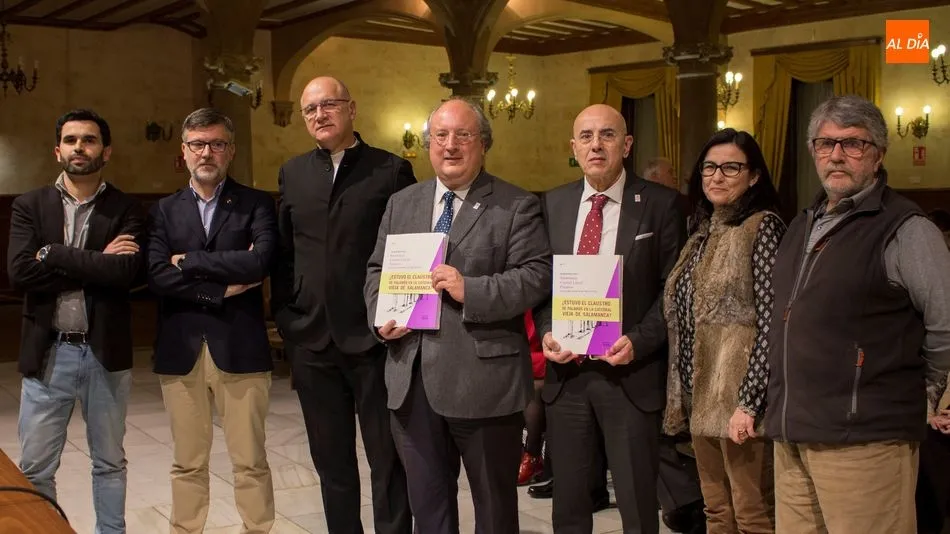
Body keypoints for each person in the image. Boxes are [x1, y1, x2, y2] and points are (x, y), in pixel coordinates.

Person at [764, 94, 950, 534]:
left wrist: (919, 389)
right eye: (825, 144)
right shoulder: (801, 224)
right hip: (793, 434)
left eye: (853, 144)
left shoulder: (906, 228)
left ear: (878, 154)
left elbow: (945, 325)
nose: (836, 155)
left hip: (866, 438)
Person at [364, 97, 551, 534]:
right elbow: (377, 269)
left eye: (463, 135)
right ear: (428, 146)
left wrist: (473, 289)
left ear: (483, 144)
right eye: (441, 136)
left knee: (494, 509)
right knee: (428, 508)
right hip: (410, 381)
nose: (450, 145)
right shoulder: (402, 203)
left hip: (483, 383)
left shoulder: (515, 204)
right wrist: (381, 315)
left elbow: (536, 276)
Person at [270, 76, 414, 534]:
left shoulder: (390, 170)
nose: (319, 115)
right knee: (331, 463)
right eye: (310, 109)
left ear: (352, 108)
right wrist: (286, 315)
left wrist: (400, 315)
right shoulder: (292, 173)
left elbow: (408, 251)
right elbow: (285, 252)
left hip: (374, 338)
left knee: (387, 460)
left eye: (329, 104)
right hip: (312, 340)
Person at [534, 104, 685, 533]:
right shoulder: (554, 203)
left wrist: (640, 340)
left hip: (630, 374)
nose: (596, 145)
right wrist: (547, 331)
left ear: (627, 144)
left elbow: (672, 291)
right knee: (569, 506)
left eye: (607, 135)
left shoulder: (661, 204)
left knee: (637, 506)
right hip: (568, 378)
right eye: (585, 136)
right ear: (573, 147)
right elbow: (545, 286)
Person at [7, 108, 145, 534]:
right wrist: (97, 261)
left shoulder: (127, 208)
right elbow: (19, 274)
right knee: (35, 468)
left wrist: (55, 254)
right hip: (50, 354)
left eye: (88, 140)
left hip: (105, 353)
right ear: (57, 151)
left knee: (109, 463)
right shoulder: (30, 205)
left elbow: (125, 274)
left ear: (106, 151)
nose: (79, 147)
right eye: (71, 140)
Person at [147, 108, 278, 533]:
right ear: (183, 152)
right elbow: (158, 275)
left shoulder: (256, 203)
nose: (207, 152)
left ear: (231, 151)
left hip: (240, 348)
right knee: (187, 463)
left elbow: (260, 261)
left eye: (217, 144)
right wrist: (218, 289)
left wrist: (192, 261)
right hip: (181, 349)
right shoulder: (163, 211)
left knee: (250, 462)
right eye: (198, 144)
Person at [663, 128, 784, 533]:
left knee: (753, 513)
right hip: (702, 395)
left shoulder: (762, 228)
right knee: (717, 511)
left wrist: (749, 402)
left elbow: (772, 322)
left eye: (731, 167)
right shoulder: (701, 232)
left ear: (753, 176)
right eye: (709, 167)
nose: (717, 176)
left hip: (739, 398)